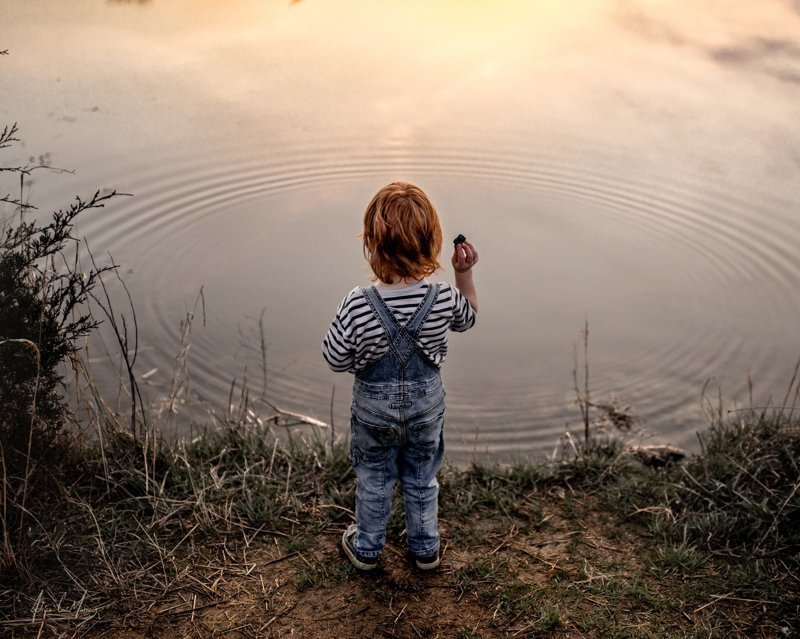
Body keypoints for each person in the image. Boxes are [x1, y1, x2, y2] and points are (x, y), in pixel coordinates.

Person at [322, 181, 479, 571]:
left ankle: (368, 549)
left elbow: (335, 357)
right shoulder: (443, 297)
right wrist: (464, 274)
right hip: (426, 409)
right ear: (431, 242)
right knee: (422, 477)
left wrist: (365, 354)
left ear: (373, 243)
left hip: (374, 412)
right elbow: (469, 318)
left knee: (374, 477)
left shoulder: (357, 303)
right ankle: (425, 549)